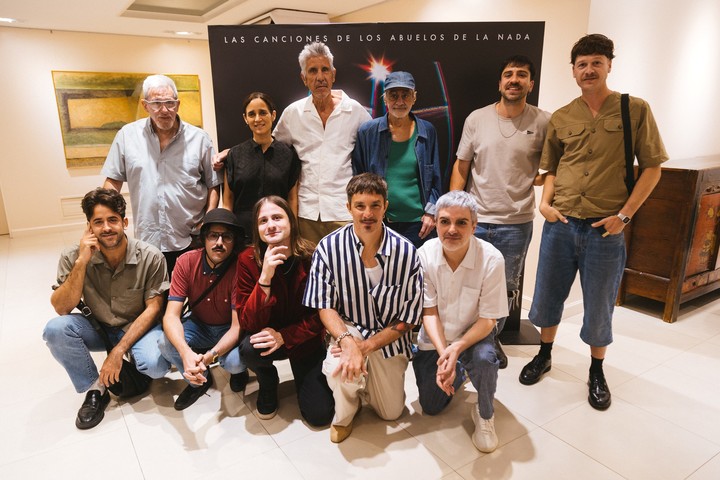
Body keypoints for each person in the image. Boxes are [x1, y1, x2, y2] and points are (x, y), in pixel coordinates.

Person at [520, 34, 668, 411]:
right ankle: (545, 353)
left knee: (600, 303)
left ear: (608, 66)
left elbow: (652, 168)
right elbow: (551, 168)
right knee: (548, 294)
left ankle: (597, 369)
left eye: (596, 63)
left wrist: (624, 216)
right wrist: (545, 204)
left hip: (606, 229)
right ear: (573, 71)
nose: (588, 70)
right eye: (582, 64)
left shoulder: (633, 110)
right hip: (561, 223)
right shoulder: (563, 116)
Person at [303, 173, 423, 443]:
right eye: (360, 206)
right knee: (340, 367)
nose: (367, 213)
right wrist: (348, 343)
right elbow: (324, 305)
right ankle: (345, 411)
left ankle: (367, 383)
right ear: (348, 208)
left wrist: (365, 348)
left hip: (386, 339)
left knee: (391, 413)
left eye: (375, 205)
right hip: (348, 329)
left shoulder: (407, 253)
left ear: (385, 206)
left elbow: (408, 319)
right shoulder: (328, 248)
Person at [449, 55, 550, 369]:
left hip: (516, 223)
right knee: (467, 285)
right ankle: (466, 341)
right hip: (475, 221)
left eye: (522, 75)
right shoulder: (477, 119)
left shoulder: (544, 122)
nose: (514, 80)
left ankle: (490, 341)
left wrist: (531, 183)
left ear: (530, 83)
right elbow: (461, 166)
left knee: (504, 289)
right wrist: (455, 210)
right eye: (508, 74)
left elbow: (553, 169)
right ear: (500, 82)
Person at [43, 188, 169, 429]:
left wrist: (118, 351)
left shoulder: (150, 257)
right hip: (98, 327)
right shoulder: (73, 256)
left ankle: (131, 357)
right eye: (98, 222)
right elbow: (61, 308)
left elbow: (154, 309)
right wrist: (82, 261)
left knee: (155, 365)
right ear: (89, 227)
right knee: (55, 330)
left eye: (112, 220)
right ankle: (95, 389)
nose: (107, 228)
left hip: (136, 326)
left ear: (125, 222)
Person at [414, 191, 508, 452]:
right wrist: (445, 353)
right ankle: (460, 371)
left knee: (485, 359)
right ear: (436, 223)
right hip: (437, 339)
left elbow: (489, 319)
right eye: (444, 222)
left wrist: (455, 350)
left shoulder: (491, 259)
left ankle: (485, 414)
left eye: (461, 223)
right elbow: (429, 312)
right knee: (431, 407)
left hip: (474, 335)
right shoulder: (425, 255)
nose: (451, 230)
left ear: (474, 226)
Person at [101, 74, 220, 275]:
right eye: (156, 103)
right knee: (156, 296)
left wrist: (208, 221)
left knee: (192, 296)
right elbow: (112, 183)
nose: (164, 110)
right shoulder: (127, 136)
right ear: (145, 105)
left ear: (178, 104)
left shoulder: (200, 139)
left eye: (169, 103)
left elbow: (213, 184)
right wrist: (109, 221)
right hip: (148, 239)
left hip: (191, 237)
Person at [235, 196, 334, 425]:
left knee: (319, 416)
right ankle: (267, 381)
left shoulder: (312, 256)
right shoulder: (247, 260)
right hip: (266, 340)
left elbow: (321, 317)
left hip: (303, 341)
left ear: (291, 221)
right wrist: (265, 277)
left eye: (277, 217)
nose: (270, 225)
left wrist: (284, 337)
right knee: (249, 348)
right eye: (263, 221)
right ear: (257, 229)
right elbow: (248, 321)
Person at [273, 41, 372, 244]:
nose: (320, 77)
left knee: (346, 270)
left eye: (325, 70)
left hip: (343, 210)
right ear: (304, 78)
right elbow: (270, 146)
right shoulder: (293, 113)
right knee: (310, 272)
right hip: (306, 212)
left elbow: (377, 145)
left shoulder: (355, 111)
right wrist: (230, 152)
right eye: (313, 71)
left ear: (333, 75)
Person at [157, 208, 249, 410]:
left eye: (227, 237)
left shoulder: (240, 267)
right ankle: (198, 379)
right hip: (198, 324)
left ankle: (234, 371)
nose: (219, 242)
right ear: (204, 239)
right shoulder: (186, 261)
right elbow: (171, 316)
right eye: (213, 236)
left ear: (234, 242)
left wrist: (208, 358)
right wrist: (185, 354)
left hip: (227, 329)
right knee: (165, 343)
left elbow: (236, 328)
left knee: (235, 363)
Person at [352, 71, 442, 248]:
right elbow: (358, 179)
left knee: (417, 275)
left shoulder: (427, 131)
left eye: (405, 95)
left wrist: (432, 213)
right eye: (393, 95)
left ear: (414, 97)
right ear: (385, 99)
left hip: (419, 226)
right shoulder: (368, 132)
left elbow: (436, 178)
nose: (400, 102)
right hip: (380, 222)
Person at [216, 92, 301, 245]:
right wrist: (228, 234)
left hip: (278, 234)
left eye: (263, 113)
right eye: (251, 114)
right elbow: (228, 201)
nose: (257, 119)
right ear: (245, 118)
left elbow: (292, 199)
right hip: (243, 235)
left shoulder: (288, 155)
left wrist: (292, 234)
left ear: (273, 115)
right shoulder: (235, 155)